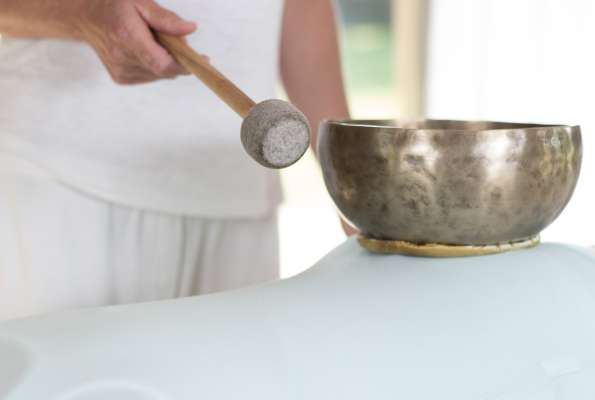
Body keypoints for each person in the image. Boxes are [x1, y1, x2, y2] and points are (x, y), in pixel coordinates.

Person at [0, 0, 352, 320]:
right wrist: (83, 13)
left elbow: (301, 9)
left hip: (235, 198)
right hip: (61, 183)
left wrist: (351, 182)